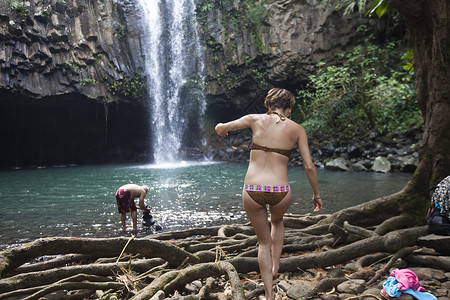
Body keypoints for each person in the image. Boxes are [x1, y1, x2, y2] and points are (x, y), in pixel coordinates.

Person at [215, 88, 322, 300]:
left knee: (263, 242)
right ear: (289, 109)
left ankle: (269, 293)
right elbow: (309, 166)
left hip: (252, 190)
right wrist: (316, 194)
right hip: (280, 191)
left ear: (268, 106)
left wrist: (221, 130)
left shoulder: (254, 119)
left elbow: (220, 127)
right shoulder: (297, 129)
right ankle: (275, 264)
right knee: (277, 221)